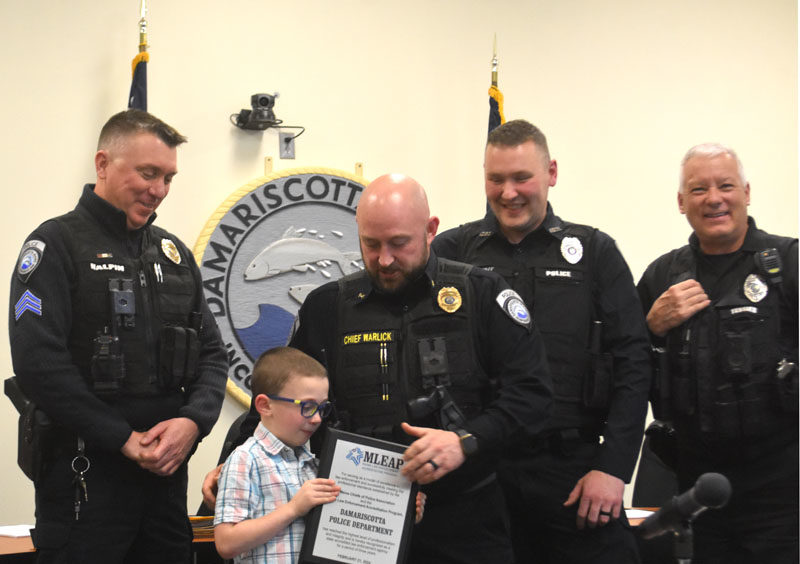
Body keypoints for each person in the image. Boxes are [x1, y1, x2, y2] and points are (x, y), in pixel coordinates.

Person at [204, 173, 553, 563]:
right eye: (371, 244)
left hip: (465, 520)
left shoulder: (480, 294)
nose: (384, 259)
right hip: (354, 520)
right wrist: (230, 464)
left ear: (430, 230)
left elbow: (533, 397)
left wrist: (465, 442)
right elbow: (280, 397)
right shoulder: (326, 307)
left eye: (398, 244)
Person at [8, 109, 229, 563]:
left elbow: (212, 354)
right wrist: (123, 437)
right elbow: (38, 364)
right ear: (103, 164)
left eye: (168, 177)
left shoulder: (172, 255)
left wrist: (193, 423)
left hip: (164, 487)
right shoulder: (54, 245)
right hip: (84, 484)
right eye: (148, 173)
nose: (159, 190)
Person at [434, 119, 651, 564]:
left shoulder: (594, 252)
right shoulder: (452, 253)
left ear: (551, 173)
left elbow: (634, 362)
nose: (508, 192)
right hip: (479, 472)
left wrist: (613, 469)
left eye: (522, 178)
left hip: (573, 472)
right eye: (496, 179)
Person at [637, 143, 798, 563]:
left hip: (783, 489)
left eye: (725, 186)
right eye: (698, 189)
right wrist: (651, 327)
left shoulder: (789, 263)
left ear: (746, 191)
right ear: (680, 202)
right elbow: (630, 370)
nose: (713, 199)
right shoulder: (661, 276)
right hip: (696, 487)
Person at [214, 345, 429, 563]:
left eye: (322, 408)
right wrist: (293, 509)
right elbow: (227, 542)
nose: (317, 419)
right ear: (265, 405)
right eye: (307, 407)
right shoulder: (245, 460)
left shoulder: (317, 465)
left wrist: (402, 510)